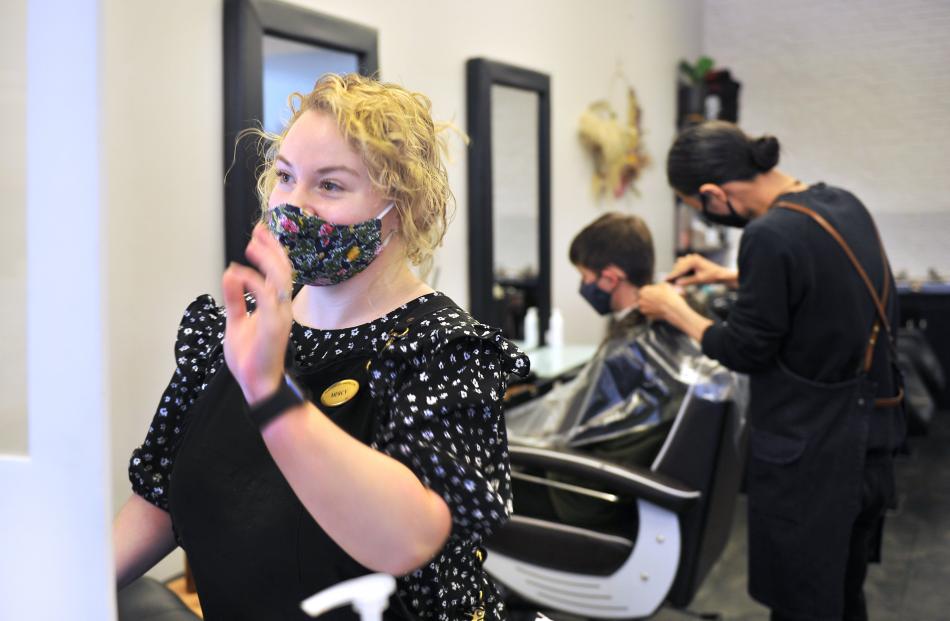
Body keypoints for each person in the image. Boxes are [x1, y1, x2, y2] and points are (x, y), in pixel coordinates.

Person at [113, 73, 529, 621]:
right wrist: (50, 587)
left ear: (401, 207)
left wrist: (269, 393)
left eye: (330, 185)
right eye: (285, 177)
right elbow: (160, 496)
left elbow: (404, 542)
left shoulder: (444, 352)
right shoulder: (228, 329)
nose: (293, 206)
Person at [638, 120, 905, 621]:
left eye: (700, 208)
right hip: (871, 444)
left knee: (802, 605)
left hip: (814, 458)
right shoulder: (841, 203)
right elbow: (828, 276)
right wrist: (731, 274)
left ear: (715, 194)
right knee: (844, 595)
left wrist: (676, 309)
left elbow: (745, 348)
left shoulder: (769, 233)